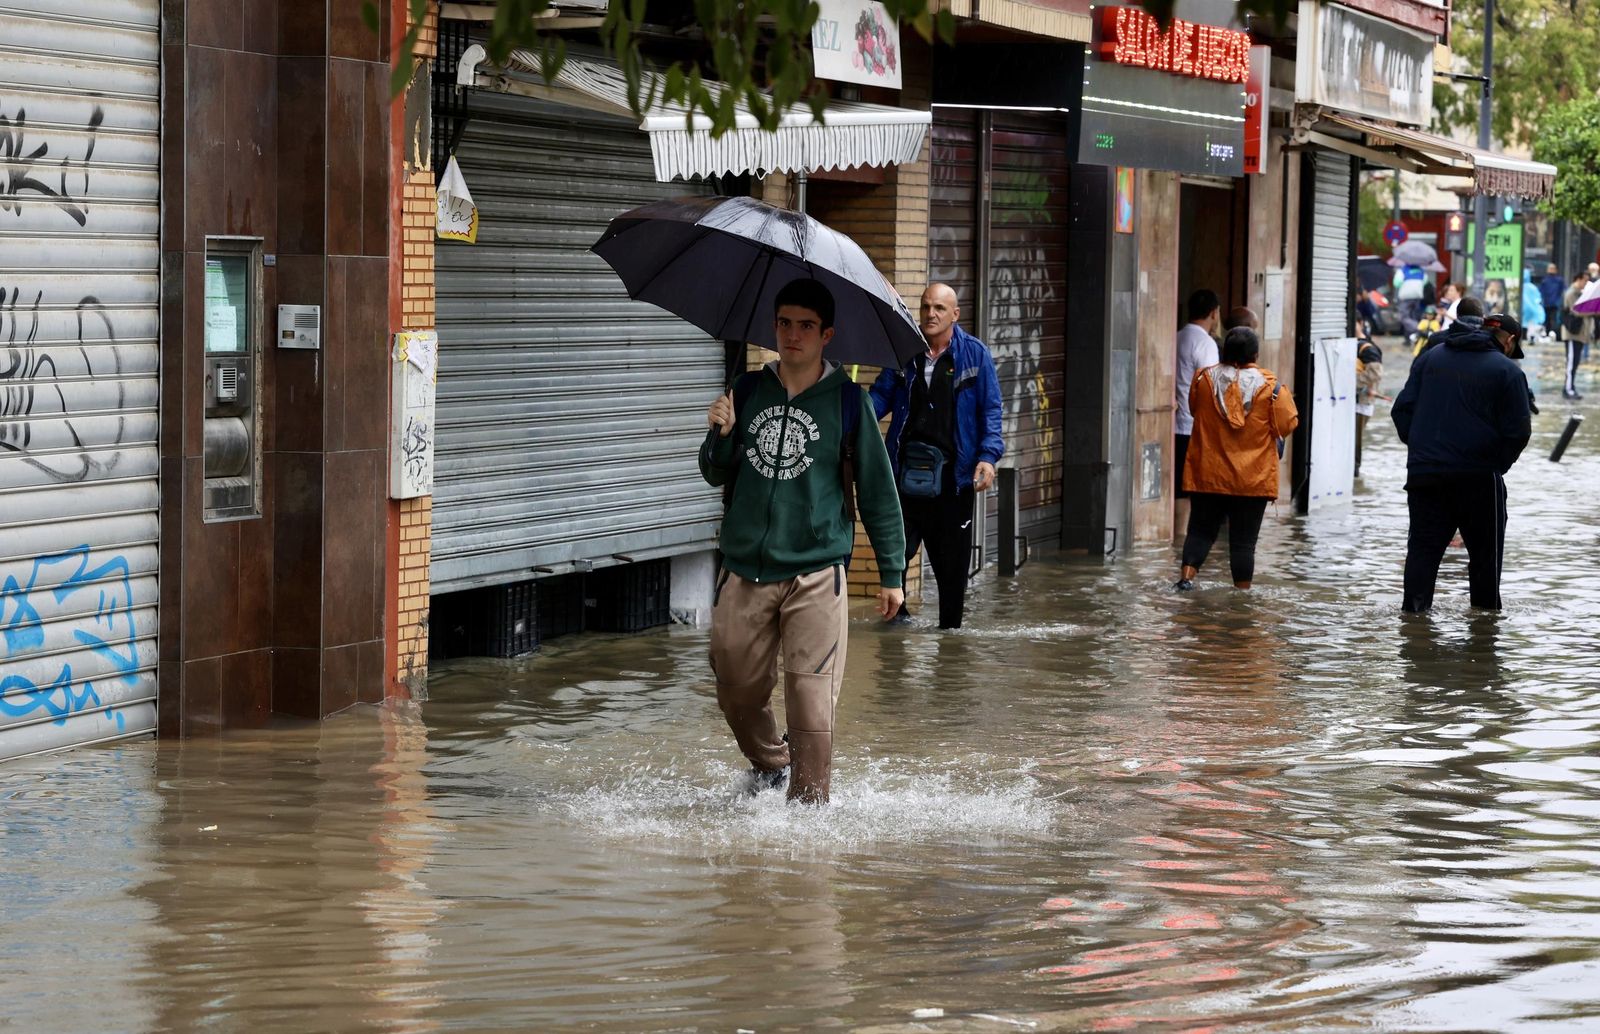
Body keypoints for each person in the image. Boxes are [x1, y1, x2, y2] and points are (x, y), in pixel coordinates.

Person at [700, 278, 906, 804]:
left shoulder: (847, 403)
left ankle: (809, 824)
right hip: (746, 566)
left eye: (806, 326)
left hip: (817, 571)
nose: (793, 335)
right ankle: (771, 763)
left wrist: (891, 574)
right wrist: (718, 435)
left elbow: (878, 492)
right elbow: (713, 474)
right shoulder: (746, 391)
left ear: (827, 334)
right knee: (736, 688)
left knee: (811, 704)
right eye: (785, 323)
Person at [870, 282, 1004, 629]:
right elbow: (880, 399)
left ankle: (950, 645)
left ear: (954, 315)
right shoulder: (905, 352)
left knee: (951, 570)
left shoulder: (975, 355)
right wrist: (852, 414)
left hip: (953, 481)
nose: (930, 314)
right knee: (894, 556)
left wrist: (988, 458)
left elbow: (990, 411)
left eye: (939, 309)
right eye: (926, 306)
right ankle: (894, 639)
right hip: (905, 473)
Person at [1391, 305, 1532, 613]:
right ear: (1508, 340)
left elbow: (1401, 410)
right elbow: (1518, 432)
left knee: (1422, 555)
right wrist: (1496, 465)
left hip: (1425, 476)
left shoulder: (1430, 358)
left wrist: (1421, 449)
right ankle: (1483, 640)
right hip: (1479, 480)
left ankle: (1414, 627)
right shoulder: (1508, 372)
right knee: (1485, 561)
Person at [1174, 327, 1299, 591]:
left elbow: (1194, 410)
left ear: (1224, 352)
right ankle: (1242, 598)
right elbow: (1288, 424)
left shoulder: (1202, 381)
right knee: (1243, 542)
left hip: (1208, 473)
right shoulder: (1272, 389)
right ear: (1255, 354)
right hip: (1252, 480)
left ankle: (1186, 580)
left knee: (1199, 530)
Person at [1173, 289, 1221, 540]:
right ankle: (1182, 540)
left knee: (1179, 488)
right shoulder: (1205, 343)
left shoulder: (1177, 336)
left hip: (1174, 424)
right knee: (1190, 489)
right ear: (1214, 313)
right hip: (1193, 426)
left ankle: (1177, 541)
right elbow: (1209, 387)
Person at [1354, 338, 1384, 478]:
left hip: (1361, 405)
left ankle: (1355, 473)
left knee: (1355, 444)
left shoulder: (1367, 349)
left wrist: (1348, 379)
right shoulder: (1360, 345)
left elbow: (1375, 374)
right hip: (1355, 404)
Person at [1561, 273, 1593, 399]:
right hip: (1572, 334)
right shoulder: (1571, 293)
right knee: (1571, 363)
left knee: (1575, 363)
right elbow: (1578, 311)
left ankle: (1571, 387)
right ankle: (1568, 389)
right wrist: (1594, 311)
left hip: (1579, 335)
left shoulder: (1580, 293)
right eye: (1585, 281)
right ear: (1578, 279)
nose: (1586, 284)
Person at [1419, 296, 1484, 355]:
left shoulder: (1436, 339)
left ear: (1457, 314)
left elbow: (1418, 365)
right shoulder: (1490, 341)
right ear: (1482, 316)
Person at [1539, 262, 1565, 343]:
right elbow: (1541, 291)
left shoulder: (1559, 280)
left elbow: (1563, 290)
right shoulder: (1545, 280)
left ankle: (1554, 334)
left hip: (1555, 304)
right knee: (1547, 319)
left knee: (1554, 319)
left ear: (1556, 270)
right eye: (1550, 269)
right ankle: (1547, 334)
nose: (1551, 270)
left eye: (1552, 269)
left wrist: (1559, 301)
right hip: (1546, 303)